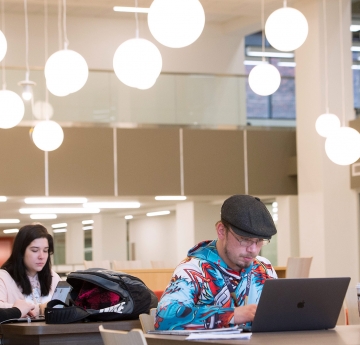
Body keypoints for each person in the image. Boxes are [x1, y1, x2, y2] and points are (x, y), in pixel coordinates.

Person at [155, 194, 278, 330]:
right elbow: (164, 318)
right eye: (245, 239)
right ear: (221, 231)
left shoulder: (263, 267)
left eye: (260, 241)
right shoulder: (193, 270)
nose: (253, 249)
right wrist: (232, 315)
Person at [0, 223, 61, 317]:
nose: (42, 256)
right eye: (35, 250)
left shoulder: (53, 277)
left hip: (51, 331)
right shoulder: (3, 277)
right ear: (21, 251)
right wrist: (39, 309)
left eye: (45, 251)